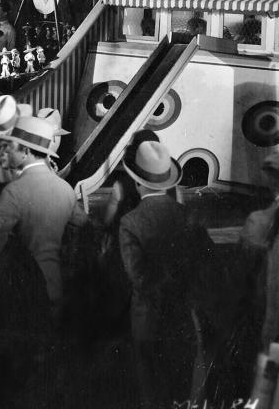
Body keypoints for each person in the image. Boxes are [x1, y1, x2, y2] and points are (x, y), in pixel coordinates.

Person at [119, 141, 196, 409]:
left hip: (147, 318)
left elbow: (137, 277)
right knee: (180, 388)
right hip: (182, 314)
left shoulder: (130, 222)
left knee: (151, 389)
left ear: (137, 182)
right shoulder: (186, 215)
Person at [0, 116, 77, 325]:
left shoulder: (14, 192)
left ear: (25, 151)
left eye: (11, 147)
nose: (5, 151)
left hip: (22, 289)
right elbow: (82, 227)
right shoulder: (66, 189)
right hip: (56, 284)